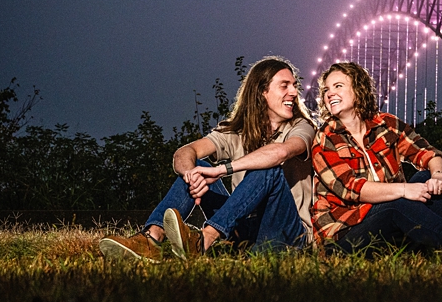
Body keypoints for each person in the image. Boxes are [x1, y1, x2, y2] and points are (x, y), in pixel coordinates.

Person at [99, 57, 316, 261]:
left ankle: (205, 239)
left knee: (268, 169)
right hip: (245, 231)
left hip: (286, 234)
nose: (294, 92)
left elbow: (280, 153)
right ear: (261, 92)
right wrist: (192, 176)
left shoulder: (302, 127)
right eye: (285, 85)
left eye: (295, 85)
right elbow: (183, 153)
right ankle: (151, 240)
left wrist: (221, 170)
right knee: (198, 166)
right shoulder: (237, 132)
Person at [311, 61, 442, 256]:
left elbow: (428, 153)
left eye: (338, 86)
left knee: (425, 178)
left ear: (358, 90)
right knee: (396, 202)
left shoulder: (387, 124)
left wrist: (438, 177)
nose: (329, 93)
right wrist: (403, 189)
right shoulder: (325, 138)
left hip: (387, 224)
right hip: (343, 236)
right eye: (326, 90)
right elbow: (351, 188)